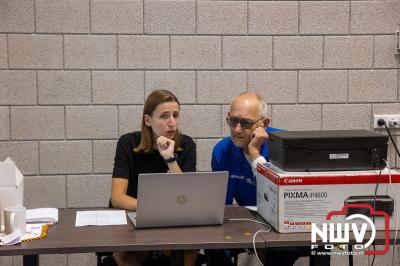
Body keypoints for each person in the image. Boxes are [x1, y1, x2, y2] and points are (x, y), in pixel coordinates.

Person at [210, 91, 309, 266]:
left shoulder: (283, 145)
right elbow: (223, 206)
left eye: (246, 123)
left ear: (264, 123)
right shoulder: (222, 150)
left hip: (286, 224)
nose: (237, 130)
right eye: (233, 121)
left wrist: (255, 153)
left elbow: (282, 200)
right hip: (248, 221)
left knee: (278, 251)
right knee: (214, 246)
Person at [110, 89, 197, 266]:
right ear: (148, 120)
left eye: (175, 115)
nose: (172, 122)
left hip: (173, 219)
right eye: (164, 116)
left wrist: (170, 159)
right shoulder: (128, 143)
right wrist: (154, 210)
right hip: (135, 215)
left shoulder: (187, 145)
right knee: (125, 255)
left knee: (187, 252)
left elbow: (185, 196)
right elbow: (117, 198)